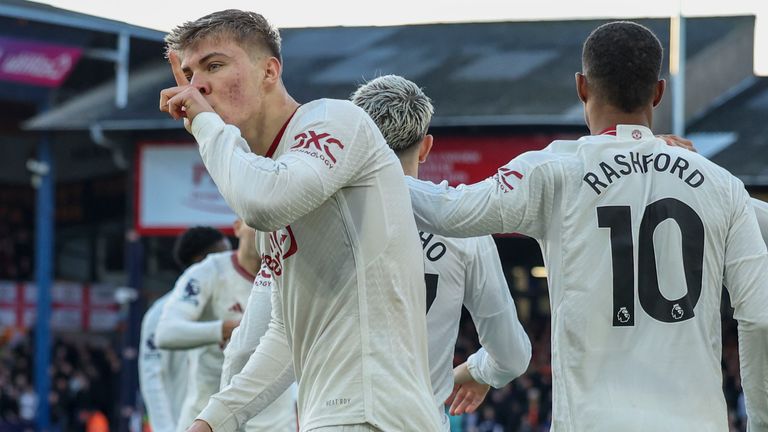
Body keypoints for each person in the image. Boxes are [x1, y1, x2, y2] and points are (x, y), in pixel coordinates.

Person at [405, 21, 768, 431]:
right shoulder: (722, 187)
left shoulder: (554, 173)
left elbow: (449, 211)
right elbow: (760, 319)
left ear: (581, 86)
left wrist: (367, 164)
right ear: (659, 91)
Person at [158, 10, 439, 432]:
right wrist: (212, 421)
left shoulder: (333, 121)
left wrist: (205, 124)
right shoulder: (278, 172)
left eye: (214, 66)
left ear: (269, 70)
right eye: (189, 73)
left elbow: (261, 203)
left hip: (370, 411)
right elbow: (286, 335)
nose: (198, 85)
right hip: (339, 413)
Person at [350, 74, 532, 429]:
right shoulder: (465, 232)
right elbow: (512, 356)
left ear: (357, 142)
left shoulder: (313, 215)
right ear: (426, 146)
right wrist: (478, 370)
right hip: (419, 421)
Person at [155, 220, 295, 432]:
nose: (264, 232)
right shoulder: (209, 271)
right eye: (256, 222)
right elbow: (166, 334)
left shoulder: (294, 275)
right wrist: (226, 329)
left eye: (273, 224)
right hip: (205, 415)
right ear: (238, 226)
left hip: (273, 422)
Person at [139, 226, 231, 432]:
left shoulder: (228, 308)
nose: (229, 264)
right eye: (221, 256)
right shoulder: (160, 314)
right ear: (201, 262)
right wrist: (165, 429)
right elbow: (152, 378)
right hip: (182, 423)